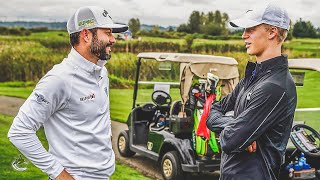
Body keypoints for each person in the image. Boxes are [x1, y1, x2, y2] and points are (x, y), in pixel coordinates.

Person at [8, 6, 128, 180]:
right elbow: (19, 131)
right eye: (108, 32)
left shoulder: (102, 72)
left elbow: (99, 116)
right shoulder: (59, 79)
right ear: (86, 35)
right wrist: (59, 174)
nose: (113, 40)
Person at [206, 2, 297, 180]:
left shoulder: (275, 86)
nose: (243, 35)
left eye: (251, 29)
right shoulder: (253, 77)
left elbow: (230, 141)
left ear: (272, 32)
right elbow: (212, 112)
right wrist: (238, 127)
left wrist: (239, 132)